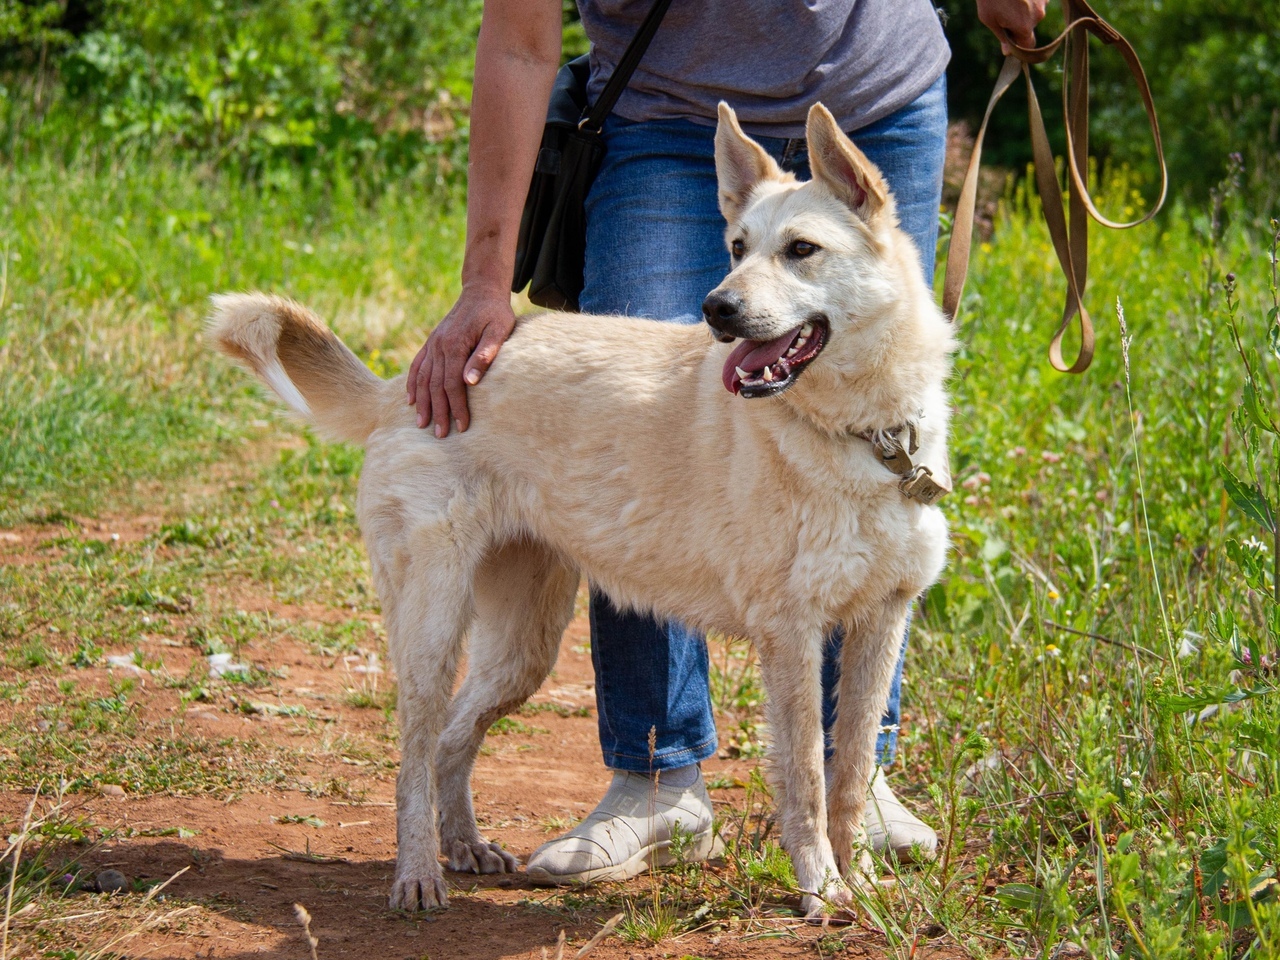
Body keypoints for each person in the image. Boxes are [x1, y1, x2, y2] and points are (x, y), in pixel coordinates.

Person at [406, 0, 1047, 885]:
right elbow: (519, 38)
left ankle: (855, 784)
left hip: (877, 91)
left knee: (873, 424)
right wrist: (485, 278)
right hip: (664, 113)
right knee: (644, 432)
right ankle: (656, 773)